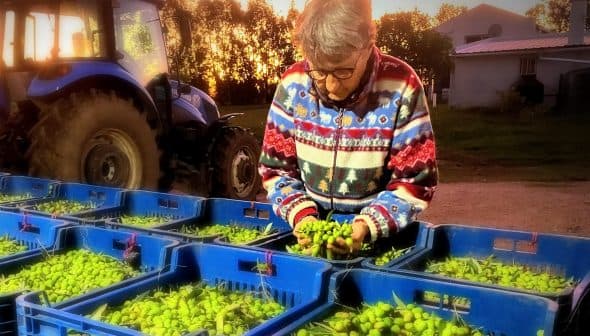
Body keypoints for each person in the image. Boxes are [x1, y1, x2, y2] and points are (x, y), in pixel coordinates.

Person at [258, 0, 438, 254]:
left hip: (379, 240)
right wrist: (303, 216)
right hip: (308, 235)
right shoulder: (293, 84)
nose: (331, 86)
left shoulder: (401, 85)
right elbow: (276, 170)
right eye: (319, 71)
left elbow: (414, 180)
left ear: (369, 41)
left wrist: (366, 225)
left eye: (343, 71)